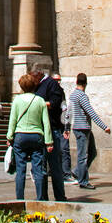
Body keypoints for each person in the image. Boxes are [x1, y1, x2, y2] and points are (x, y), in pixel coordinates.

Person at [6, 72, 53, 200]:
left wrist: (9, 137)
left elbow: (13, 120)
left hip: (20, 136)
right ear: (34, 85)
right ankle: (40, 198)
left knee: (20, 170)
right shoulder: (40, 101)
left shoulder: (17, 101)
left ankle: (19, 199)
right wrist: (49, 142)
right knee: (38, 169)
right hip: (36, 136)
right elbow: (46, 122)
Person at [32, 68, 76, 200]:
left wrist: (38, 104)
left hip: (53, 129)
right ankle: (42, 197)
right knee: (41, 166)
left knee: (55, 165)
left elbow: (57, 103)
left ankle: (60, 196)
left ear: (38, 75)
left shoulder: (51, 84)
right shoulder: (38, 85)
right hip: (40, 130)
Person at [64, 73, 110, 190]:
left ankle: (77, 172)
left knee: (92, 152)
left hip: (80, 128)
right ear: (86, 83)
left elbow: (68, 113)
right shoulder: (82, 96)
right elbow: (91, 112)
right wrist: (104, 127)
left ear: (76, 82)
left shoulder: (73, 95)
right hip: (82, 129)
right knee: (83, 156)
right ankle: (83, 181)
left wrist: (67, 128)